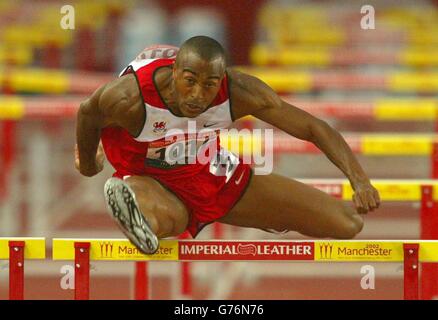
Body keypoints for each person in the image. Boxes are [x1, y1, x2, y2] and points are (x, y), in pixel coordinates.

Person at [75, 36, 380, 254]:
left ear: (221, 79)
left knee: (347, 223)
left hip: (218, 178)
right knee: (162, 220)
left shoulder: (240, 91)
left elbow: (314, 127)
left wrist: (360, 180)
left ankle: (146, 217)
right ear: (174, 71)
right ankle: (139, 216)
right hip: (156, 184)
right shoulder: (129, 98)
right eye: (190, 81)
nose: (198, 95)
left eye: (209, 85)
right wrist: (90, 165)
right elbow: (87, 114)